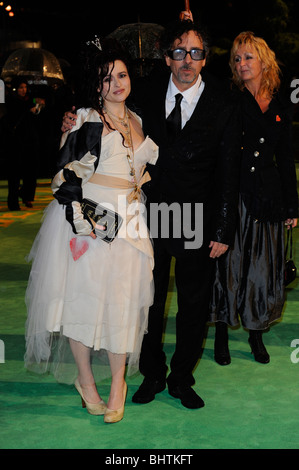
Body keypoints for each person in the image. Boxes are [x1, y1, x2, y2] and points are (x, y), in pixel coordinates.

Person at [62, 18, 241, 409]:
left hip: (196, 215)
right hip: (149, 214)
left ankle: (181, 378)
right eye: (179, 52)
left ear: (205, 59)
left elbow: (229, 173)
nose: (187, 60)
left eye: (195, 52)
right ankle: (152, 374)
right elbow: (104, 106)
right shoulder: (140, 93)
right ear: (166, 57)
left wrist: (223, 228)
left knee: (193, 303)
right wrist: (72, 119)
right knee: (147, 300)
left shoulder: (224, 105)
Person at [24, 38, 158, 424]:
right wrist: (89, 222)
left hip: (131, 221)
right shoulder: (86, 117)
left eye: (122, 74)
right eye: (107, 78)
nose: (117, 83)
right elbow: (64, 180)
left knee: (123, 303)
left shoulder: (138, 118)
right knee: (80, 303)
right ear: (96, 84)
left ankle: (119, 383)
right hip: (90, 223)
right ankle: (86, 381)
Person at [210, 32, 298, 366]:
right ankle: (220, 330)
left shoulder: (279, 104)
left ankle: (255, 333)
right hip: (232, 195)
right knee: (228, 268)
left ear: (264, 61)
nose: (241, 63)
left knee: (262, 270)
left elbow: (286, 158)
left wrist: (292, 205)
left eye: (248, 57)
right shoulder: (226, 98)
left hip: (268, 197)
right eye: (237, 58)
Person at [2, 78, 44, 210]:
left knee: (31, 170)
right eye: (20, 87)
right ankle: (13, 201)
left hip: (30, 141)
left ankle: (26, 196)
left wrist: (37, 106)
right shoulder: (10, 100)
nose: (23, 90)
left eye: (25, 87)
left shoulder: (29, 100)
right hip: (15, 142)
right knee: (14, 173)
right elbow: (16, 110)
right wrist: (32, 104)